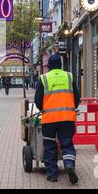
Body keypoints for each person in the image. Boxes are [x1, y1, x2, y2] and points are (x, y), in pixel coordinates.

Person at [34, 53, 80, 184]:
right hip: (67, 118)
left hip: (49, 119)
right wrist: (71, 107)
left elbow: (38, 101)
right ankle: (69, 165)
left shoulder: (43, 78)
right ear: (61, 65)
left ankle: (52, 174)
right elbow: (77, 97)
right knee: (67, 143)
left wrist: (44, 108)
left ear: (49, 66)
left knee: (49, 145)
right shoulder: (69, 76)